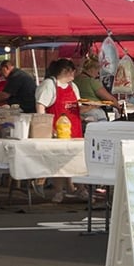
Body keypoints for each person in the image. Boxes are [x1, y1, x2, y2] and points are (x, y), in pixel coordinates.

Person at [36, 58, 84, 203]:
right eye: (73, 70)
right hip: (58, 129)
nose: (75, 72)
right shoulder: (49, 85)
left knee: (77, 160)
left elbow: (79, 105)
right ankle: (58, 192)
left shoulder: (73, 86)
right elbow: (40, 106)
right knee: (59, 162)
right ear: (66, 71)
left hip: (75, 128)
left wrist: (90, 107)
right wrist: (47, 127)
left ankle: (79, 189)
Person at [74, 56, 117, 123]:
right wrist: (119, 108)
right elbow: (110, 99)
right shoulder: (92, 82)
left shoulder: (75, 80)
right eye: (98, 70)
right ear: (92, 69)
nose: (98, 73)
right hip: (94, 113)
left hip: (80, 112)